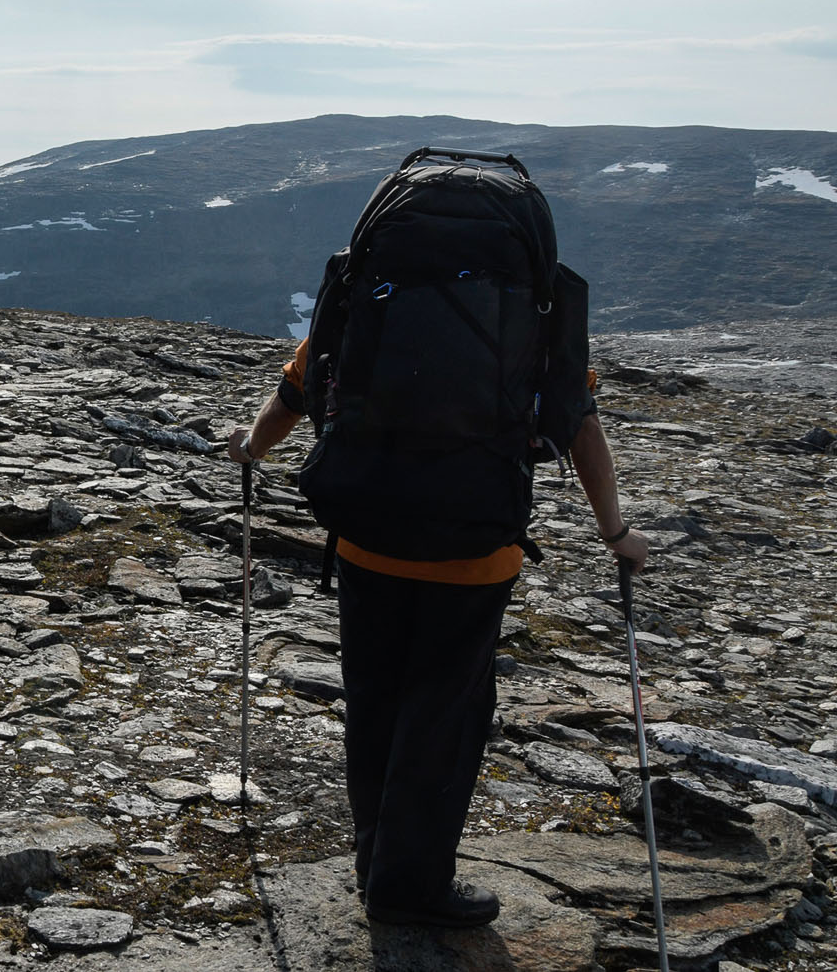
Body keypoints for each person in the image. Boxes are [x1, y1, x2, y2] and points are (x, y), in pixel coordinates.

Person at [227, 263, 648, 929]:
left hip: (369, 542)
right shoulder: (524, 313)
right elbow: (579, 422)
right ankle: (410, 885)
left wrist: (250, 448)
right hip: (475, 556)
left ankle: (377, 866)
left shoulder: (369, 297)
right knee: (443, 715)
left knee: (375, 704)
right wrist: (616, 532)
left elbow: (292, 396)